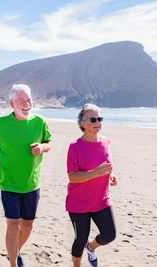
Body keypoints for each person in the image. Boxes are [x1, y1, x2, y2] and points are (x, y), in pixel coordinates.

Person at [0, 84, 52, 267]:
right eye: (21, 101)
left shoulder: (40, 122)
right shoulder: (1, 124)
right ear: (12, 104)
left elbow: (48, 142)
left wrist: (42, 147)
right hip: (8, 184)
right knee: (13, 225)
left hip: (31, 184)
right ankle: (13, 263)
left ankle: (14, 252)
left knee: (28, 226)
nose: (27, 104)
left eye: (29, 99)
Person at [66, 103, 117, 267]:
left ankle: (91, 247)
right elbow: (73, 177)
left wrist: (111, 177)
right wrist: (95, 173)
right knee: (79, 239)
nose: (98, 122)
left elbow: (106, 168)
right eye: (93, 119)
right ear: (82, 123)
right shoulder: (75, 147)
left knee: (110, 234)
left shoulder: (106, 142)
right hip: (79, 203)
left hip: (101, 199)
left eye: (100, 118)